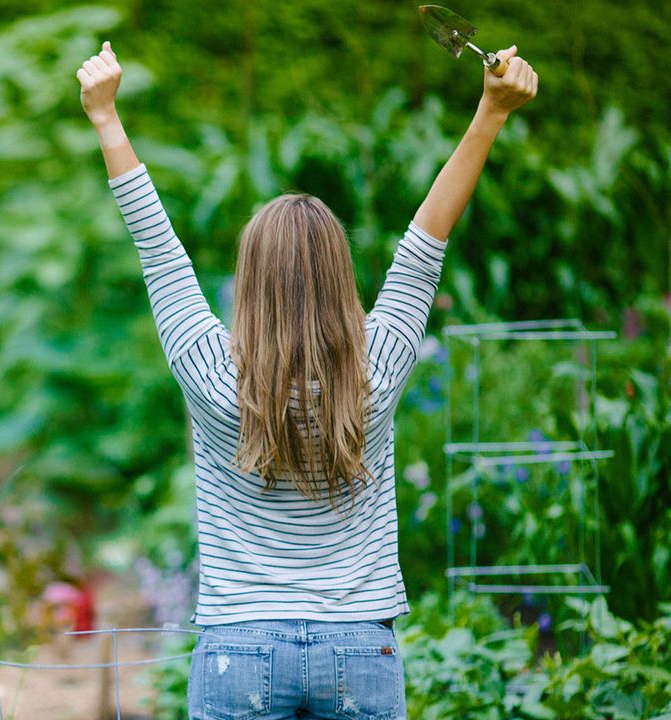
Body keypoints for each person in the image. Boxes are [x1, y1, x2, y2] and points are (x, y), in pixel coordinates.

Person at [76, 40, 537, 718]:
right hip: (359, 646)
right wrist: (491, 112)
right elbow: (426, 243)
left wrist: (106, 118)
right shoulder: (379, 363)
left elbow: (157, 243)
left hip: (239, 646)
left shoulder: (209, 370)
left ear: (250, 281)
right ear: (340, 274)